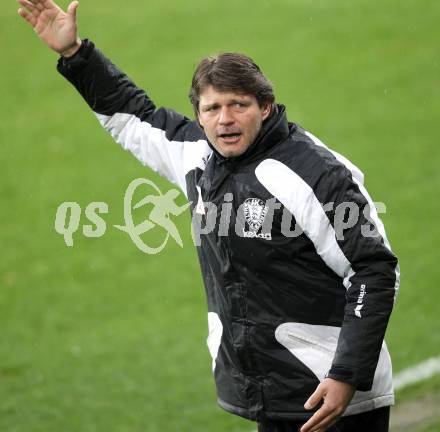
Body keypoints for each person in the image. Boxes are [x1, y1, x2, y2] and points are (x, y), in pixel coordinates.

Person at [17, 1, 400, 431]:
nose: (225, 120)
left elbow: (373, 271)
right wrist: (75, 54)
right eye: (212, 109)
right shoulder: (197, 155)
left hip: (334, 397)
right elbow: (132, 116)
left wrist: (345, 374)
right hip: (270, 394)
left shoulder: (317, 174)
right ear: (198, 115)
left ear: (266, 107)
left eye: (239, 105)